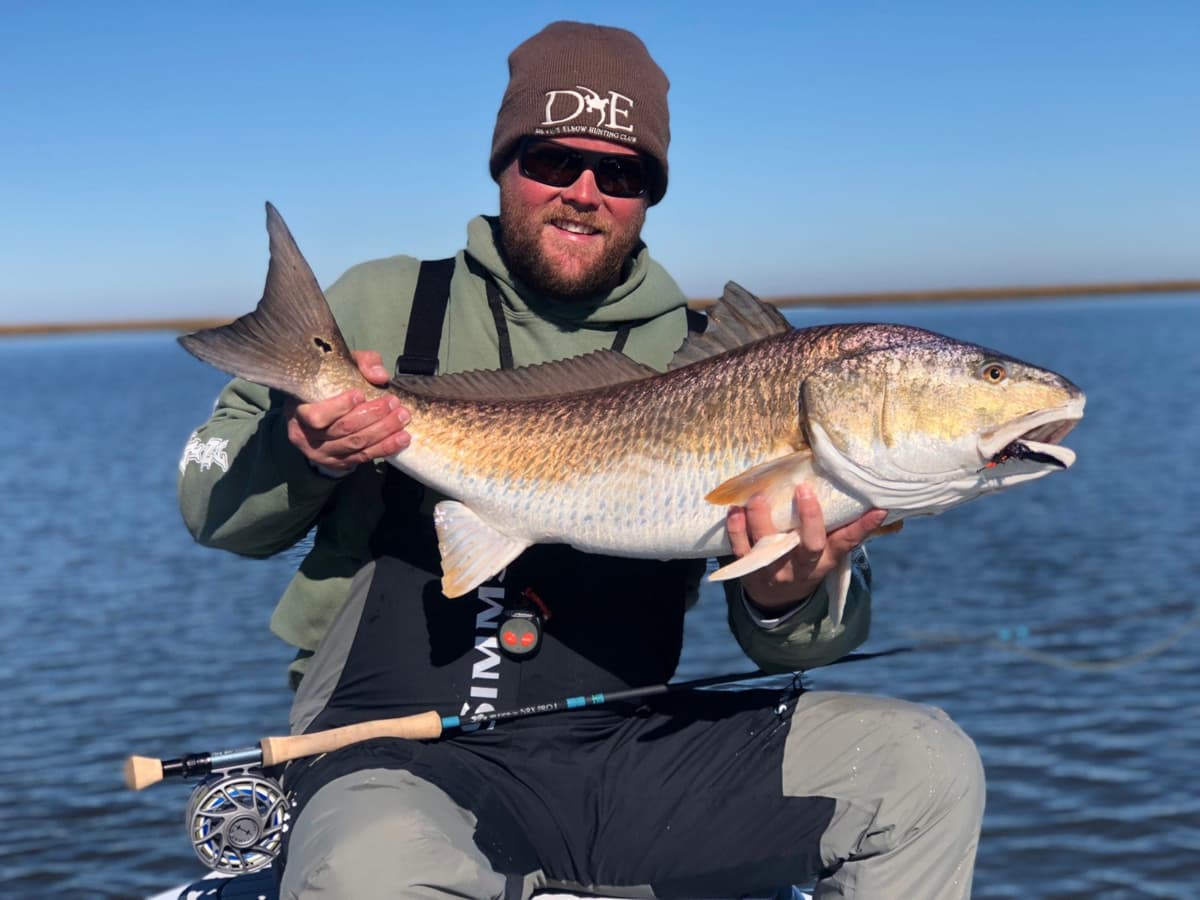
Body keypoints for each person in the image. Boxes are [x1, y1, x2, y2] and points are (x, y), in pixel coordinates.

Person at [177, 20, 984, 900]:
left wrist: (783, 593)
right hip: (388, 753)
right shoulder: (381, 303)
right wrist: (305, 455)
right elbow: (209, 505)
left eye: (622, 172)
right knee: (370, 871)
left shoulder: (713, 354)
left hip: (626, 751)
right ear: (505, 164)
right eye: (554, 161)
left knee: (924, 770)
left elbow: (804, 639)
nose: (585, 192)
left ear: (649, 194)